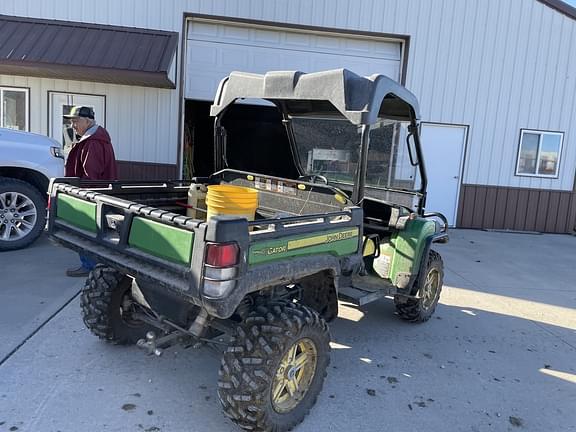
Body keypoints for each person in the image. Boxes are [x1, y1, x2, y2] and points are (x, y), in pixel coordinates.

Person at [63, 106, 118, 277]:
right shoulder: (95, 138)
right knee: (96, 234)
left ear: (87, 121)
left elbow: (91, 175)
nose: (73, 125)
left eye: (76, 121)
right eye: (71, 121)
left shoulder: (92, 142)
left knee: (85, 233)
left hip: (91, 195)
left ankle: (89, 266)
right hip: (100, 194)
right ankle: (95, 265)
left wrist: (81, 197)